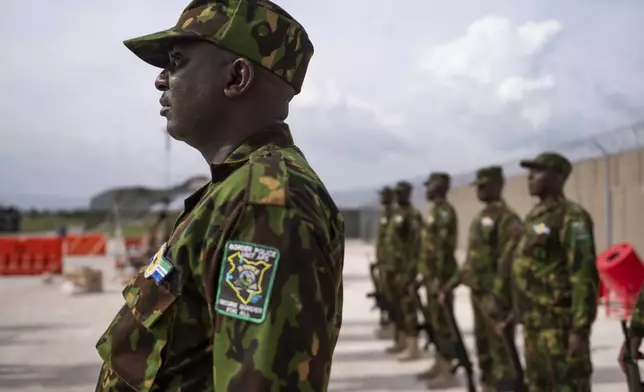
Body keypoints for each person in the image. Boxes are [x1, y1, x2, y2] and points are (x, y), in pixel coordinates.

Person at [94, 1, 345, 391]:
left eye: (177, 61)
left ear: (237, 78)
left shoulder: (263, 203)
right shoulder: (234, 189)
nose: (161, 80)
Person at [507, 152, 598, 392]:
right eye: (529, 172)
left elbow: (583, 274)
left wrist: (580, 328)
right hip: (534, 325)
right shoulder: (538, 217)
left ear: (558, 176)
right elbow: (533, 246)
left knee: (568, 385)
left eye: (538, 171)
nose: (530, 177)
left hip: (559, 326)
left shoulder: (572, 216)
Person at [440, 166, 522, 392]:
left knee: (501, 352)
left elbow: (510, 263)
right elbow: (471, 262)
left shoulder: (507, 219)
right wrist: (450, 285)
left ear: (499, 185)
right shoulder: (480, 218)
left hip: (495, 298)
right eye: (478, 186)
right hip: (478, 295)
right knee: (483, 347)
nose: (480, 190)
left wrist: (500, 296)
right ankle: (487, 386)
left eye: (485, 186)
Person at [419, 172, 460, 389]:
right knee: (435, 322)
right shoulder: (433, 211)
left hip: (440, 280)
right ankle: (439, 363)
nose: (426, 189)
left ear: (441, 187)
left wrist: (439, 280)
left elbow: (444, 249)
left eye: (430, 185)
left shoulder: (445, 212)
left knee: (444, 324)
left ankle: (448, 371)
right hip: (431, 279)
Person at [384, 181, 423, 361]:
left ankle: (413, 346)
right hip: (393, 268)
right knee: (397, 307)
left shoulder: (412, 216)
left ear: (408, 194)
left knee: (408, 308)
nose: (399, 197)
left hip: (404, 270)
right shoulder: (396, 214)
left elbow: (416, 246)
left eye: (402, 193)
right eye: (397, 193)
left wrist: (411, 273)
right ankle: (401, 341)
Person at [373, 186, 395, 340]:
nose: (381, 198)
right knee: (382, 295)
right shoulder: (384, 215)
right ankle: (385, 324)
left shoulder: (394, 215)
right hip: (383, 264)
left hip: (391, 264)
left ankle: (394, 327)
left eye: (384, 195)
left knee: (392, 297)